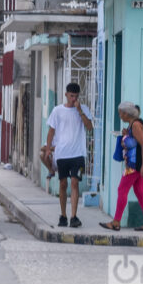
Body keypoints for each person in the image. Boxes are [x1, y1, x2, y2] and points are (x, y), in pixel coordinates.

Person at [100, 102, 143, 231]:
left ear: (126, 113)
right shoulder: (132, 125)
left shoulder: (136, 125)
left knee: (122, 190)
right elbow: (135, 142)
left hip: (134, 165)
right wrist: (127, 134)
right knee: (140, 191)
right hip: (135, 164)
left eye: (120, 113)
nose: (119, 115)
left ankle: (116, 222)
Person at [45, 83, 93, 228]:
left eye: (76, 96)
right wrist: (48, 149)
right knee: (63, 183)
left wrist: (80, 111)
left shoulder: (83, 110)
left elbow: (89, 127)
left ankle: (74, 216)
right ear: (66, 95)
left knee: (74, 182)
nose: (74, 99)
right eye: (71, 96)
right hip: (62, 154)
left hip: (78, 154)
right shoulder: (57, 110)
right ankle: (63, 215)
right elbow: (51, 131)